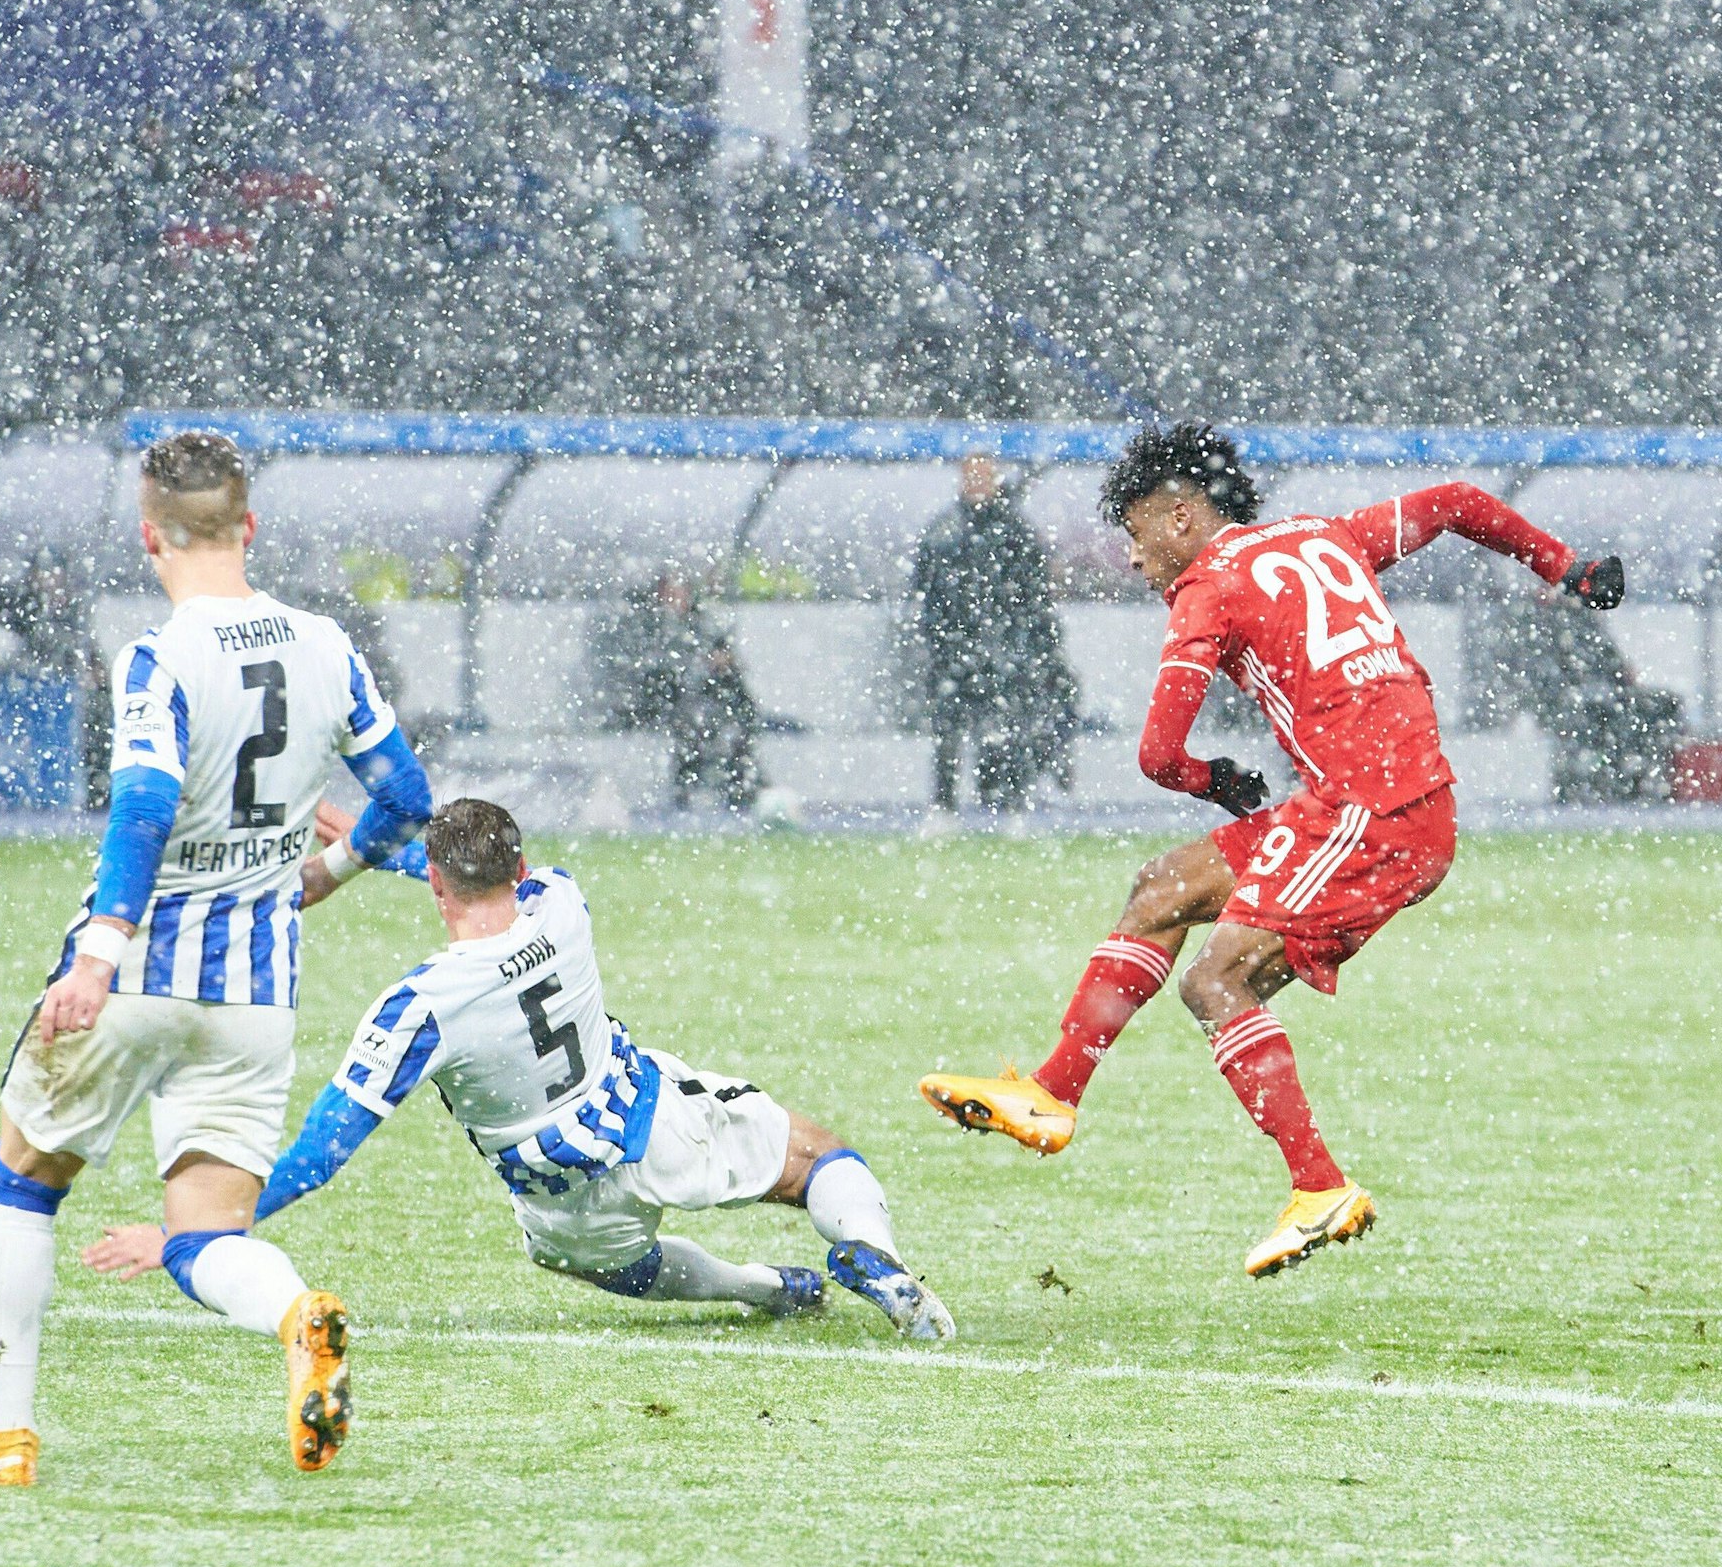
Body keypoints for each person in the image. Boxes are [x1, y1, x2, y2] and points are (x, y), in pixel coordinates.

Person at [919, 422, 1624, 1277]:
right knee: (1162, 888)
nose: (1137, 562)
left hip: (1374, 814)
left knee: (1216, 980)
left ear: (1180, 516)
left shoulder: (1208, 585)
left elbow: (1157, 755)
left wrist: (1213, 778)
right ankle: (1052, 1093)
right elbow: (1456, 503)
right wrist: (1566, 567)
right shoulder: (1321, 535)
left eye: (1138, 537)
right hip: (1364, 802)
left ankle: (1320, 1188)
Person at [0, 431, 433, 1487]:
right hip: (257, 990)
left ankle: (10, 1440)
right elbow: (407, 799)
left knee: (23, 1182)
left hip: (138, 973)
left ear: (147, 535)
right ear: (248, 526)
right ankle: (296, 1312)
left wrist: (99, 949)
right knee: (205, 1230)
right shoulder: (324, 642)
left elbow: (146, 802)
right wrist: (331, 871)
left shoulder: (158, 654)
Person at [85, 796, 955, 1343]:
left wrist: (194, 1232)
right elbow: (486, 881)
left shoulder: (418, 1009)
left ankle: (764, 1291)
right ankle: (872, 1258)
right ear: (520, 868)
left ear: (435, 885)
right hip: (649, 1121)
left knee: (627, 1270)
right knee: (813, 1160)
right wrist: (387, 849)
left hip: (556, 1198)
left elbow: (318, 1157)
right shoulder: (561, 902)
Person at [912, 454, 1077, 815]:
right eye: (972, 475)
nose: (978, 483)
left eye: (985, 475)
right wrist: (940, 641)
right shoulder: (943, 532)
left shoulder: (1014, 531)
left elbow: (1035, 596)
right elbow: (925, 594)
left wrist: (1024, 644)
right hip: (955, 654)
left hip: (1004, 653)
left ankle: (1009, 803)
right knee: (949, 733)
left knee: (1009, 730)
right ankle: (945, 806)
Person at [591, 575, 763, 813]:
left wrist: (720, 662)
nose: (675, 599)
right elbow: (648, 669)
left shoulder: (703, 624)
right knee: (691, 728)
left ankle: (741, 791)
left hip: (703, 697)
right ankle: (687, 793)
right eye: (670, 593)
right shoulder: (649, 625)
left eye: (680, 593)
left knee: (730, 726)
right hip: (668, 699)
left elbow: (721, 657)